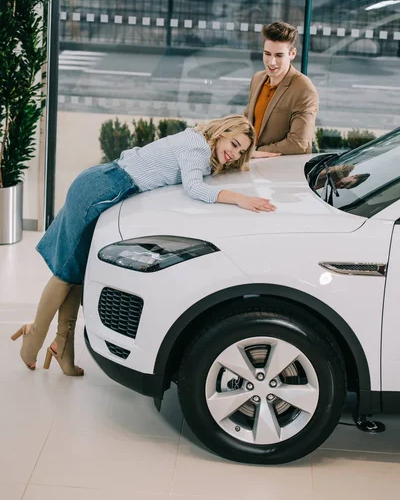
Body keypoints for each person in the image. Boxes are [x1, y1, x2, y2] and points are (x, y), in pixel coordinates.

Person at [11, 115, 276, 375]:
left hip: (105, 183)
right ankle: (33, 337)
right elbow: (194, 187)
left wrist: (251, 156)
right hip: (101, 190)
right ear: (221, 135)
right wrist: (240, 199)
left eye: (240, 150)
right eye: (233, 145)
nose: (234, 153)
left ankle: (62, 346)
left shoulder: (200, 140)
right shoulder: (197, 147)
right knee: (65, 273)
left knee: (75, 272)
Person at [245, 21, 319, 158]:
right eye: (267, 54)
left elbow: (298, 144)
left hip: (282, 170)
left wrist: (255, 152)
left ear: (292, 54)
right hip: (253, 166)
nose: (271, 62)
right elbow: (246, 122)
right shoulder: (257, 79)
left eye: (279, 55)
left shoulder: (304, 89)